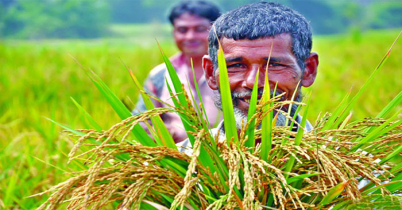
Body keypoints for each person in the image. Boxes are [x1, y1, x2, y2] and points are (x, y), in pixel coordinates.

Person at [177, 1, 318, 150]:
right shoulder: (179, 163)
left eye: (273, 65)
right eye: (236, 66)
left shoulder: (342, 164)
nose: (253, 82)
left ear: (308, 70)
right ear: (211, 73)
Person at [133, 1, 222, 143]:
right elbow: (142, 121)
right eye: (182, 30)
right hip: (175, 160)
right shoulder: (160, 74)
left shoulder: (234, 70)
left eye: (199, 29)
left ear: (215, 31)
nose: (190, 37)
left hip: (227, 158)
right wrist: (164, 134)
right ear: (173, 32)